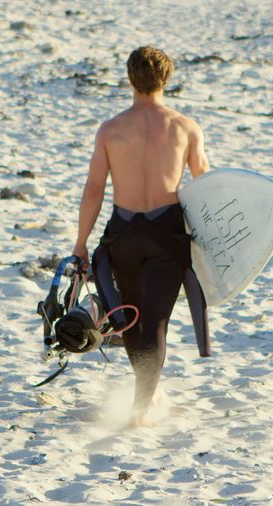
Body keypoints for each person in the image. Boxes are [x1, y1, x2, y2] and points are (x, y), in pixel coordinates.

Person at [72, 45, 211, 427]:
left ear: (131, 79)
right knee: (157, 322)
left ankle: (144, 395)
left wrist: (82, 243)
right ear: (166, 79)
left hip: (123, 236)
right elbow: (206, 189)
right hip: (166, 235)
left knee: (127, 318)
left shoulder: (112, 129)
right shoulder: (185, 128)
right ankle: (143, 405)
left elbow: (94, 189)